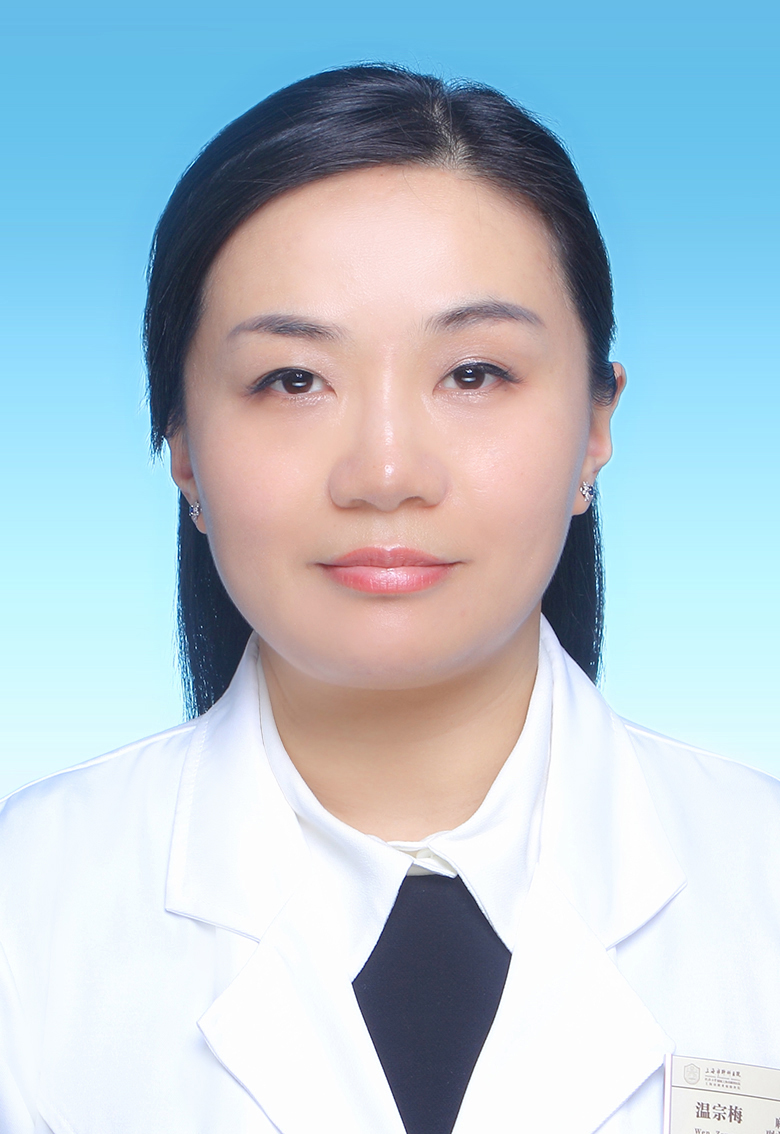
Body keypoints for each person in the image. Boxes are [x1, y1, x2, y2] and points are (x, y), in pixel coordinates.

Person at [1, 64, 779, 1134]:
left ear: (597, 425)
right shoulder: (26, 908)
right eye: (292, 380)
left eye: (473, 374)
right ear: (181, 448)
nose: (384, 472)